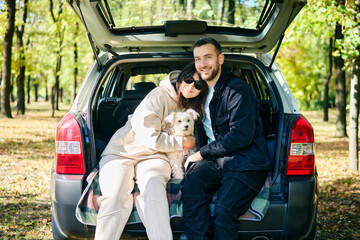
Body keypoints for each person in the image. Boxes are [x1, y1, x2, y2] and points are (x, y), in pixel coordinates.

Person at [94, 63, 208, 240]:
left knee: (154, 191)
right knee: (115, 196)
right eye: (188, 80)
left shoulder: (194, 107)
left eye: (199, 85)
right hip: (122, 152)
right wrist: (181, 142)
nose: (192, 86)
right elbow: (148, 135)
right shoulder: (157, 96)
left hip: (155, 157)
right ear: (180, 78)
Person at [181, 37, 272, 239]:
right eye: (197, 59)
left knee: (223, 210)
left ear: (220, 58)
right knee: (191, 188)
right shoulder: (200, 92)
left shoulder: (238, 90)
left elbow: (240, 136)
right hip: (216, 161)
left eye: (208, 57)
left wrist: (200, 154)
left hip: (245, 161)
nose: (203, 64)